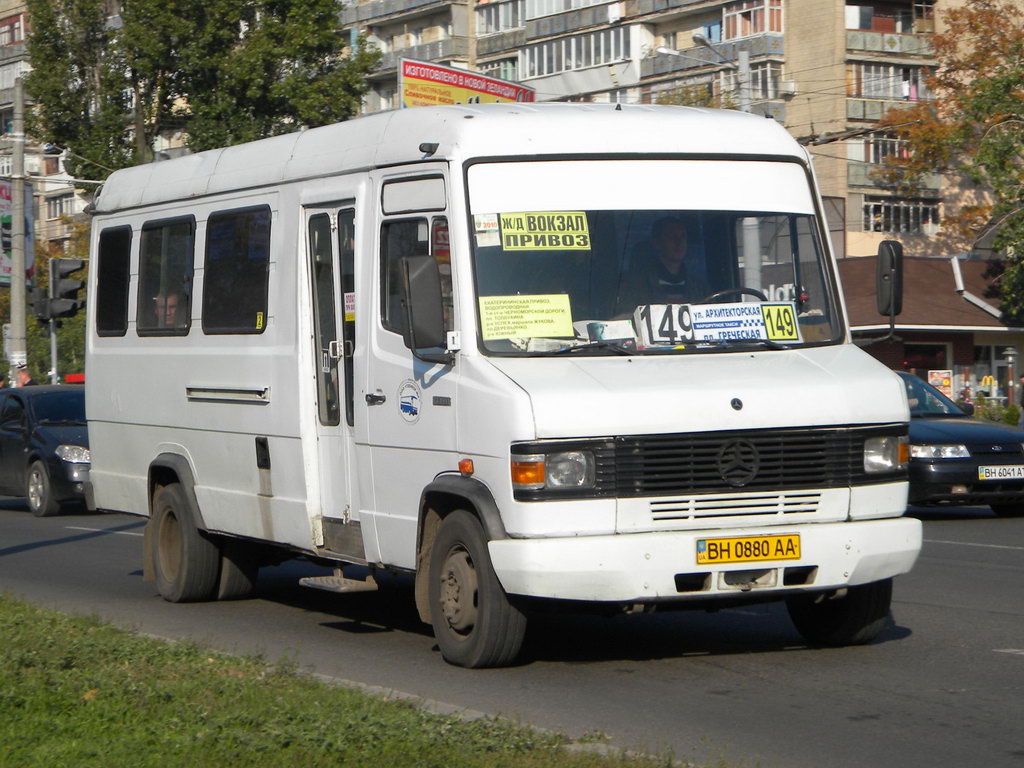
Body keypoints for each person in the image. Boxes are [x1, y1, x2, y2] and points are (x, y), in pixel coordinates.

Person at [617, 218, 709, 313]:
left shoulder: (699, 288)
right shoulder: (636, 289)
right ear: (657, 243)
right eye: (672, 237)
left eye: (683, 237)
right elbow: (623, 321)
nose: (679, 242)